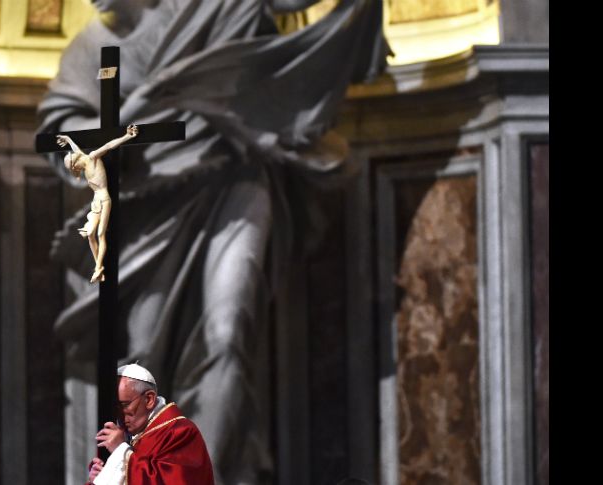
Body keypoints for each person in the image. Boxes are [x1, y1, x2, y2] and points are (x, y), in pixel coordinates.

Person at [38, 1, 389, 482]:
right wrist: (104, 143)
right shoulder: (92, 47)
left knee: (228, 332)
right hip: (148, 211)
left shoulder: (221, 5)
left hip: (235, 182)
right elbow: (58, 133)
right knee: (143, 359)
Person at [85, 364, 215, 485]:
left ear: (149, 399)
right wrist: (99, 478)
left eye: (124, 405)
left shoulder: (181, 432)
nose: (119, 414)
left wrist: (121, 451)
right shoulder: (126, 435)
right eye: (115, 407)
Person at [56, 124, 139, 283]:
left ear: (77, 162)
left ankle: (99, 268)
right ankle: (98, 267)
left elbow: (108, 146)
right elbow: (76, 150)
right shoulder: (83, 160)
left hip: (104, 199)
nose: (77, 170)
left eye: (74, 167)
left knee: (101, 234)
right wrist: (68, 139)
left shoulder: (92, 157)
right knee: (90, 235)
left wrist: (127, 136)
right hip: (96, 201)